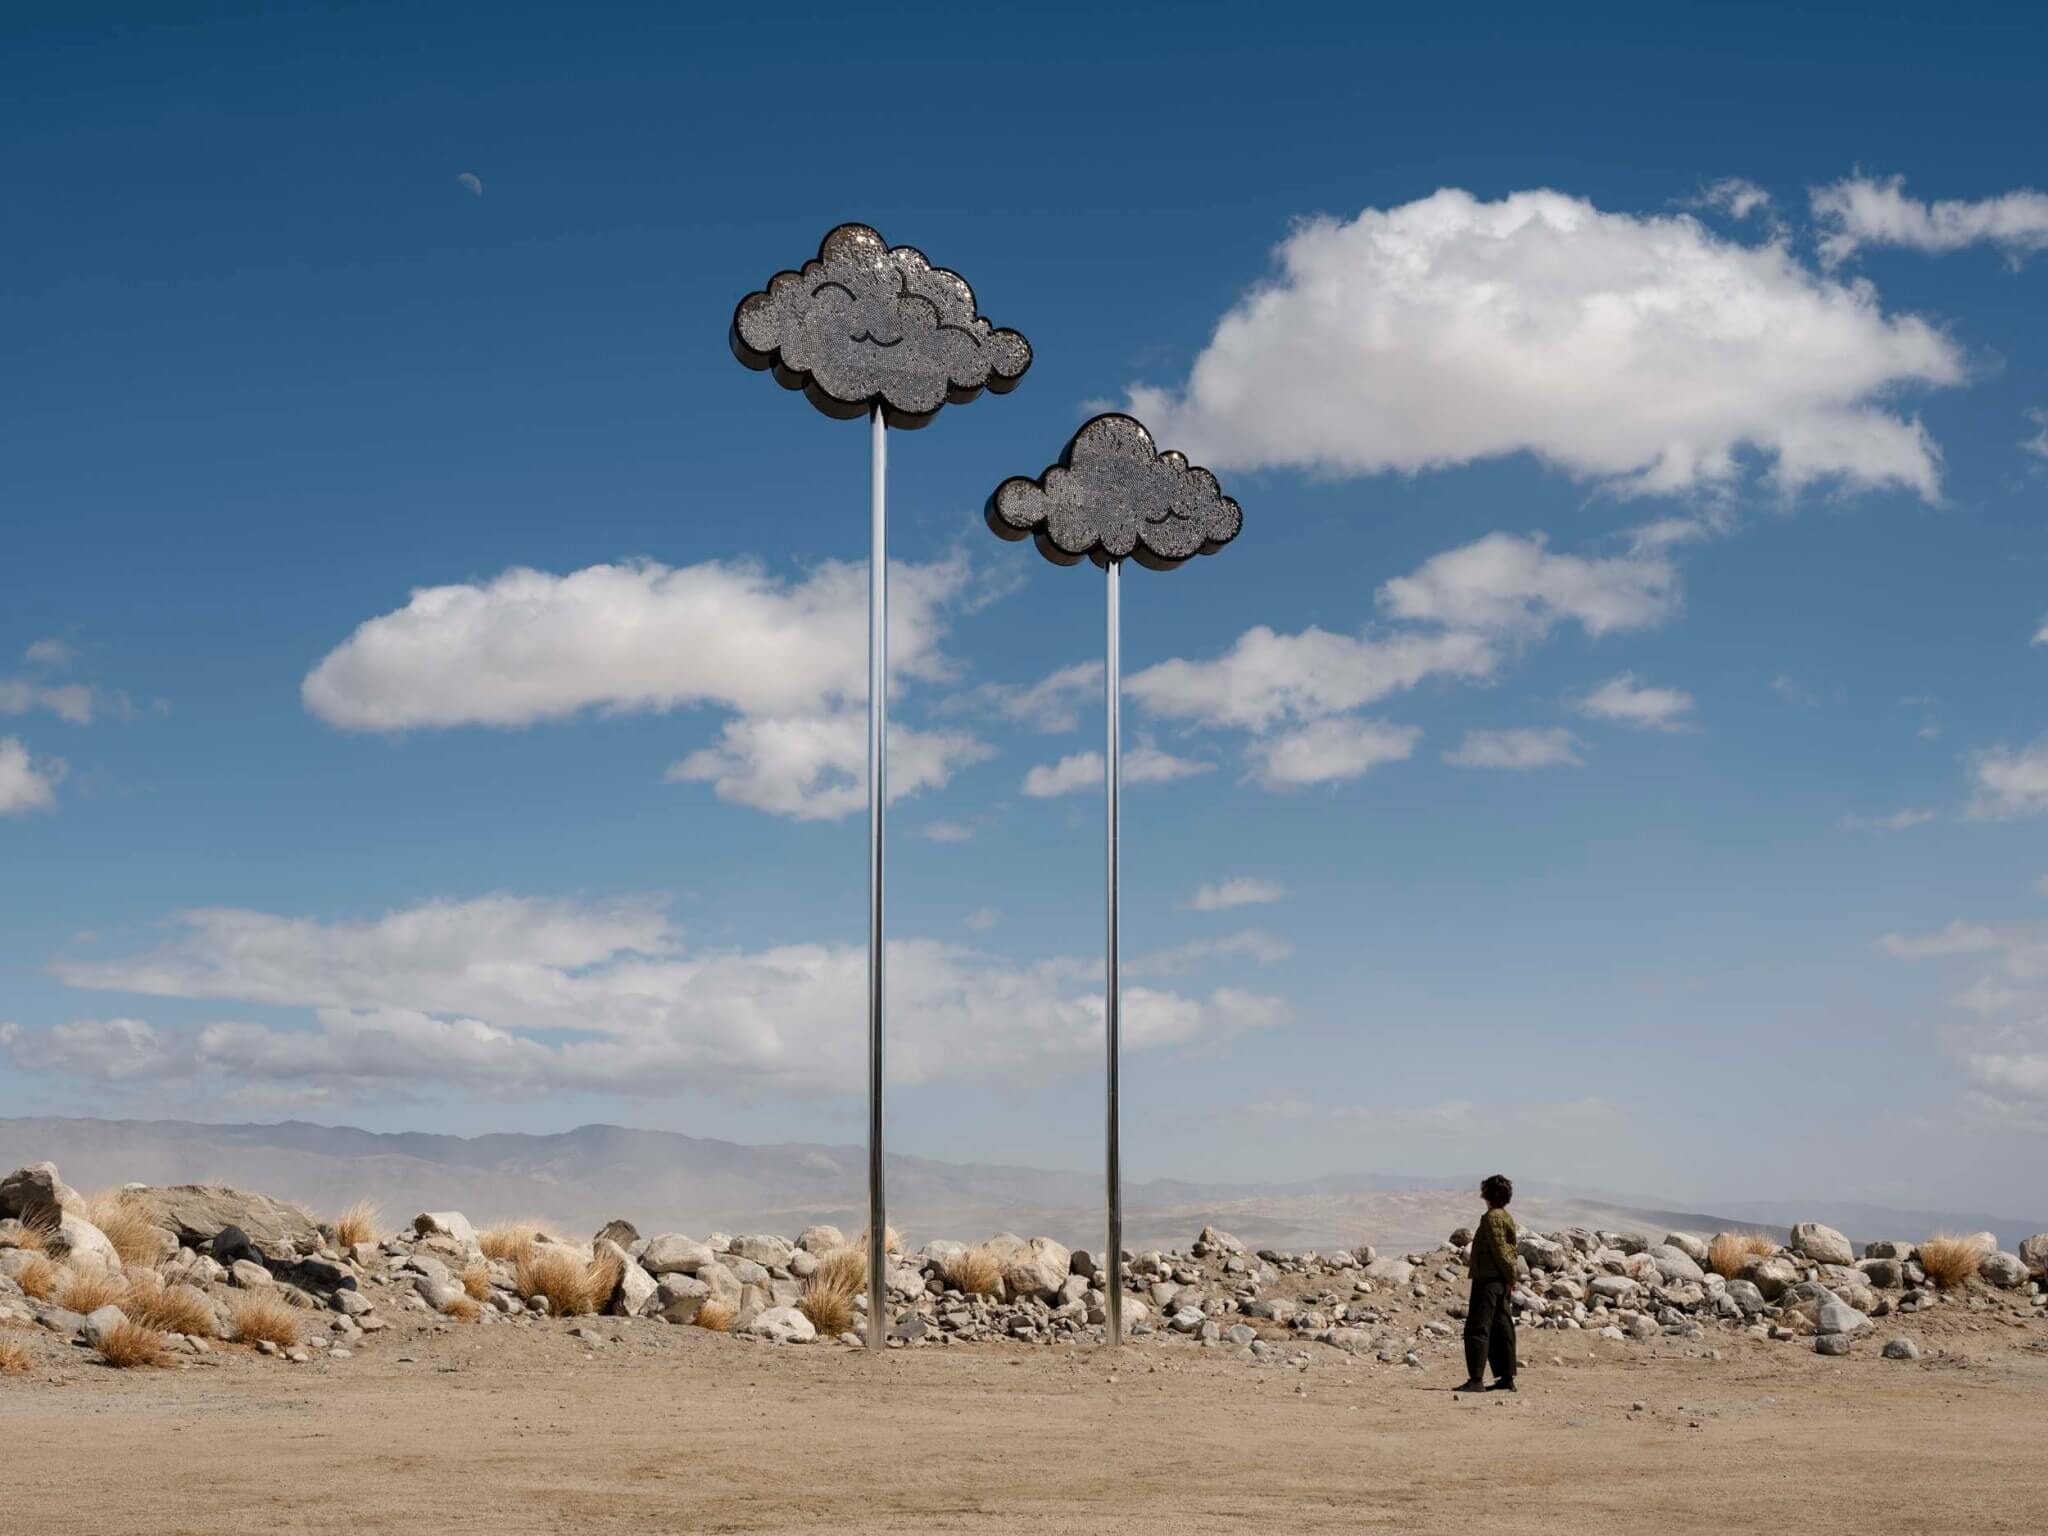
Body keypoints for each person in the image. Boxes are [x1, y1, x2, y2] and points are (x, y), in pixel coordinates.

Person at [1457, 1173, 1519, 1393]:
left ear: (1490, 1193)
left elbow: (1501, 1250)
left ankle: (1476, 1379)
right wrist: (1510, 1278)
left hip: (1489, 1280)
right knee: (1501, 1327)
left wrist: (1511, 1277)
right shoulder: (1505, 1216)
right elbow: (1510, 1250)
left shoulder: (1492, 1218)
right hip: (1500, 1280)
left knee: (1477, 1326)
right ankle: (1506, 1377)